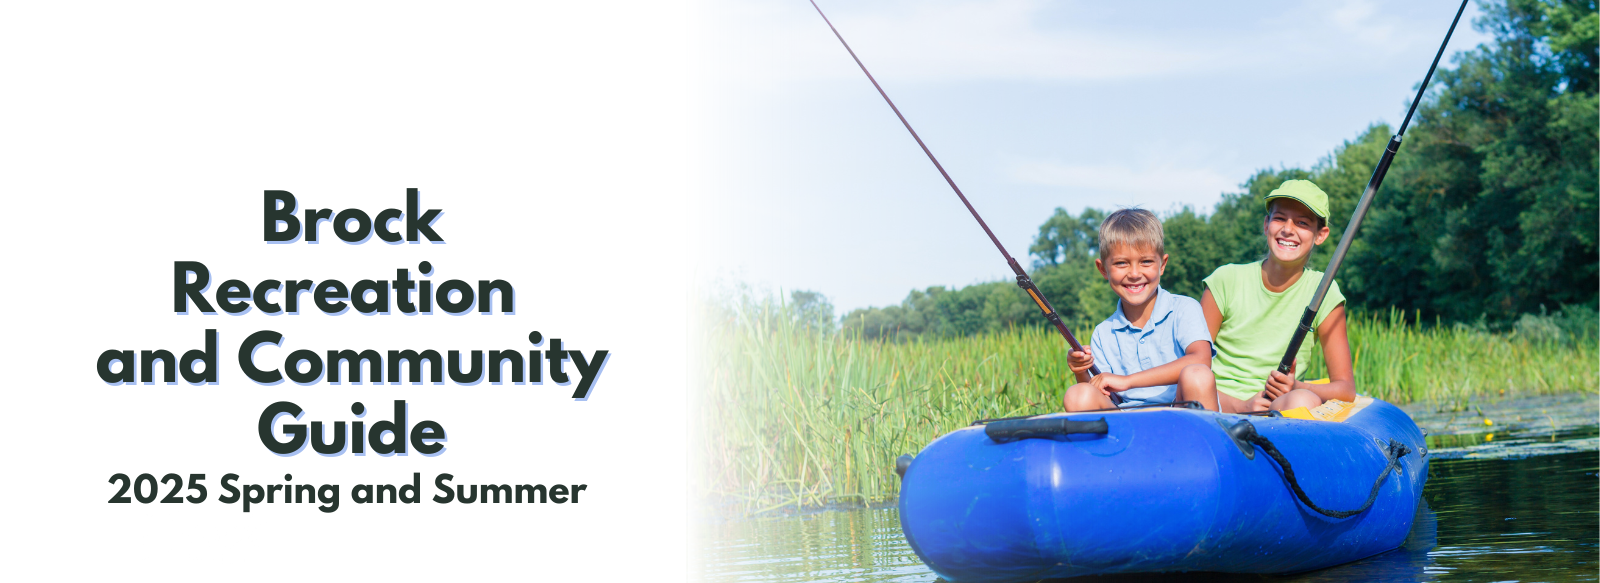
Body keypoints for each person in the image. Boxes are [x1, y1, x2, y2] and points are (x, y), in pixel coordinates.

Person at [1200, 180, 1356, 413]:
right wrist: (1241, 406)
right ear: (1266, 225)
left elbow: (1345, 389)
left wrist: (1295, 386)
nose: (1288, 229)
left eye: (1302, 223)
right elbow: (1192, 368)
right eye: (1280, 218)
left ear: (1320, 235)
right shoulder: (1225, 280)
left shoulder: (1324, 290)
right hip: (1217, 405)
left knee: (1301, 399)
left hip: (1277, 407)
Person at [1063, 208, 1219, 412]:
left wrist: (1127, 381)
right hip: (1128, 425)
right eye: (1121, 263)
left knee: (1197, 375)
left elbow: (1201, 360)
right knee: (1077, 394)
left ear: (1162, 265)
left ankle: (1204, 443)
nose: (1135, 274)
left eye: (1145, 262)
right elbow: (1098, 392)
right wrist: (1081, 370)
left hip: (1183, 417)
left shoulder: (1184, 308)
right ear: (1103, 270)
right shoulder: (1103, 333)